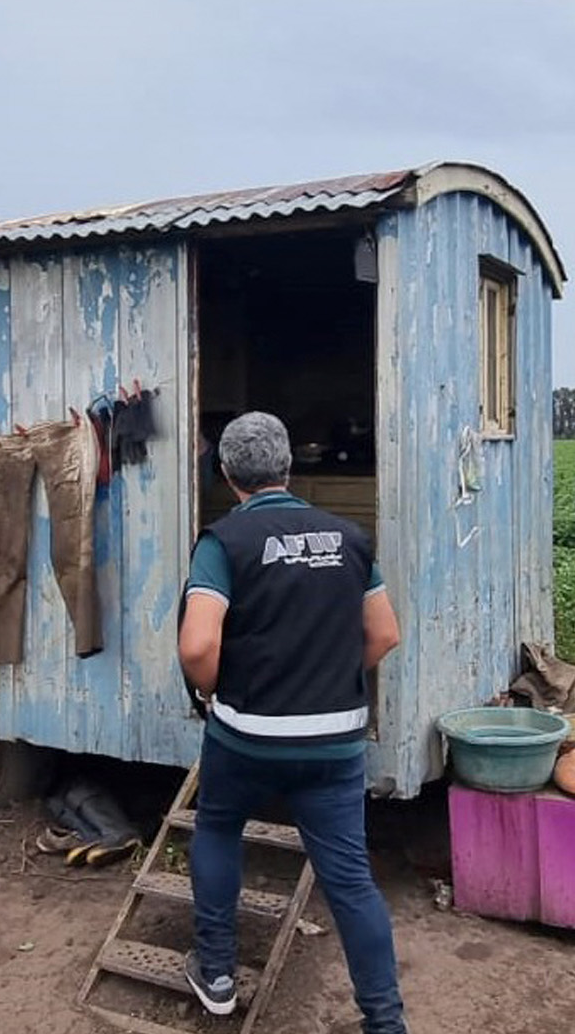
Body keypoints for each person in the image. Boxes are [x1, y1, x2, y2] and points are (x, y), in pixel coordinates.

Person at [177, 411, 406, 1034]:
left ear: (226, 475)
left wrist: (214, 693)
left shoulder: (224, 543)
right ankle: (385, 1023)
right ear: (289, 466)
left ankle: (218, 975)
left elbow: (199, 649)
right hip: (334, 742)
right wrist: (329, 677)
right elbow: (384, 635)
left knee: (219, 826)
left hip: (247, 734)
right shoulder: (350, 539)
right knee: (351, 880)